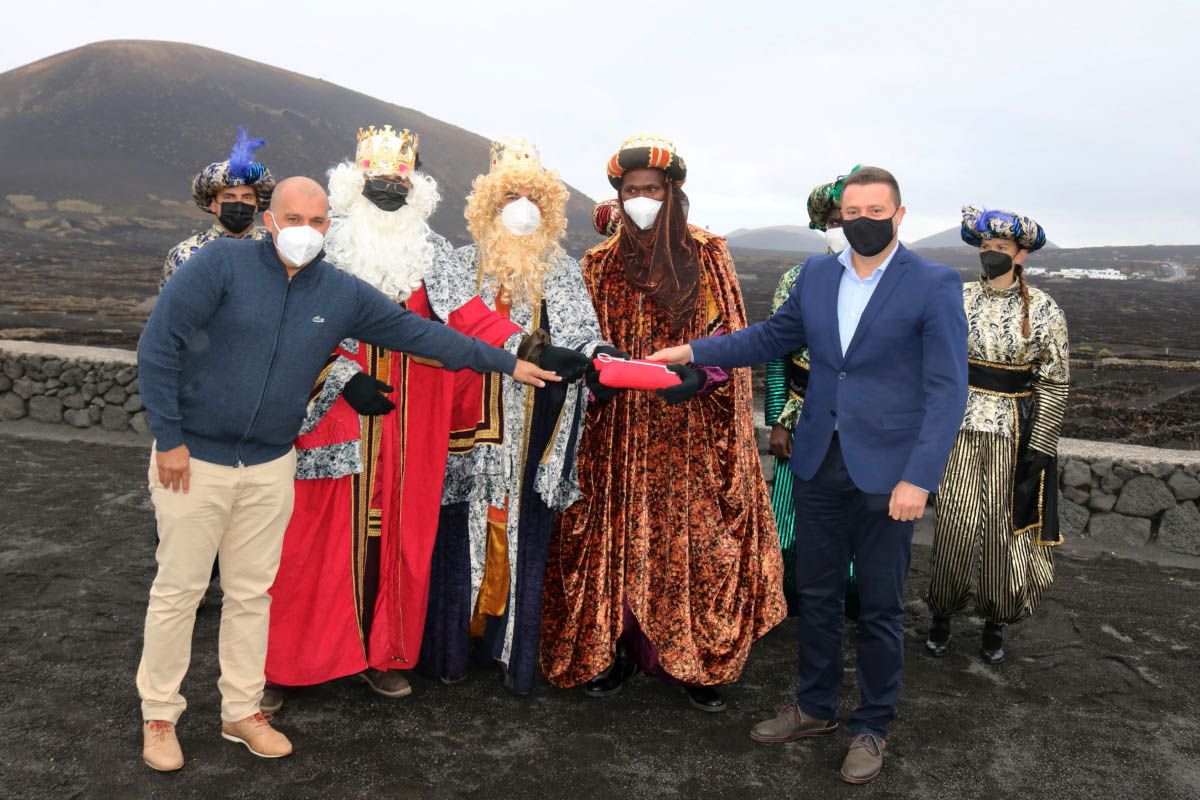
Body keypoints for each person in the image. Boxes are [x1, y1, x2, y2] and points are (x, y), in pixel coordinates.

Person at [135, 175, 558, 772]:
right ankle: (159, 715)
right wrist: (169, 439)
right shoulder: (220, 265)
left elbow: (425, 335)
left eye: (316, 221)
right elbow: (158, 346)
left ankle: (240, 711)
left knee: (253, 594)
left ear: (327, 225)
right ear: (270, 218)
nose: (304, 231)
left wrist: (509, 363)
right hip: (195, 459)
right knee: (177, 593)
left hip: (269, 462)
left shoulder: (337, 292)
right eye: (293, 218)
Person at [650, 166, 968, 784]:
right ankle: (815, 707)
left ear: (900, 215)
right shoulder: (819, 276)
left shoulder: (934, 283)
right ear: (839, 216)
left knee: (878, 606)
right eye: (853, 211)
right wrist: (693, 351)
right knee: (818, 596)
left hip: (888, 473)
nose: (864, 221)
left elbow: (947, 390)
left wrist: (919, 479)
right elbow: (771, 337)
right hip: (819, 458)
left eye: (878, 210)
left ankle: (872, 726)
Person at [262, 127, 530, 709]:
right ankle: (287, 661)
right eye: (377, 179)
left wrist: (527, 350)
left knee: (401, 540)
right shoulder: (323, 246)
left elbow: (474, 318)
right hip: (334, 421)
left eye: (399, 179)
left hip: (414, 423)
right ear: (353, 182)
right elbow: (287, 324)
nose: (389, 188)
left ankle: (379, 654)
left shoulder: (434, 253)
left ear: (418, 186)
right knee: (310, 539)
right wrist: (340, 376)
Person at [540, 136, 785, 713]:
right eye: (631, 192)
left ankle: (694, 658)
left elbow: (731, 334)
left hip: (690, 427)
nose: (642, 200)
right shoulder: (597, 262)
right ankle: (614, 650)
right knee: (612, 533)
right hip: (617, 428)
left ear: (672, 192)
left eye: (652, 190)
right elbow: (578, 331)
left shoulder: (707, 253)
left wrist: (704, 377)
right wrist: (592, 372)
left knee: (693, 538)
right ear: (618, 198)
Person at [418, 138, 600, 696]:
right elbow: (459, 315)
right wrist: (528, 346)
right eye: (509, 196)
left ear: (547, 209)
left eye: (531, 197)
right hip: (465, 428)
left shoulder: (562, 269)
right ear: (487, 206)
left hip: (528, 429)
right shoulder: (456, 263)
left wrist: (603, 362)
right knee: (458, 530)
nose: (521, 207)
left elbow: (583, 335)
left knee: (517, 528)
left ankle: (507, 651)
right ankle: (452, 648)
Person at [924, 206, 1068, 664]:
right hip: (958, 426)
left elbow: (1054, 380)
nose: (990, 254)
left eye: (1000, 249)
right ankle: (942, 613)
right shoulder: (957, 297)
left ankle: (994, 620)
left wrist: (1041, 446)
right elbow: (929, 357)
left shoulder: (1044, 310)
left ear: (1020, 254)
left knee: (1003, 530)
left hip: (1014, 431)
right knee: (954, 523)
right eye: (985, 247)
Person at [766, 169, 856, 616]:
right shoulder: (795, 279)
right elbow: (776, 355)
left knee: (852, 509)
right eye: (835, 220)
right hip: (801, 412)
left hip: (859, 418)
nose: (842, 228)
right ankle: (788, 592)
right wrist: (777, 420)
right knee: (790, 507)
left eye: (850, 218)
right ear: (823, 224)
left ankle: (851, 594)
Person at [162, 127, 275, 287]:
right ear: (213, 203)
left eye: (247, 197)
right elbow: (170, 309)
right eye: (229, 197)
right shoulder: (184, 255)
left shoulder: (277, 249)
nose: (239, 204)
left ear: (257, 205)